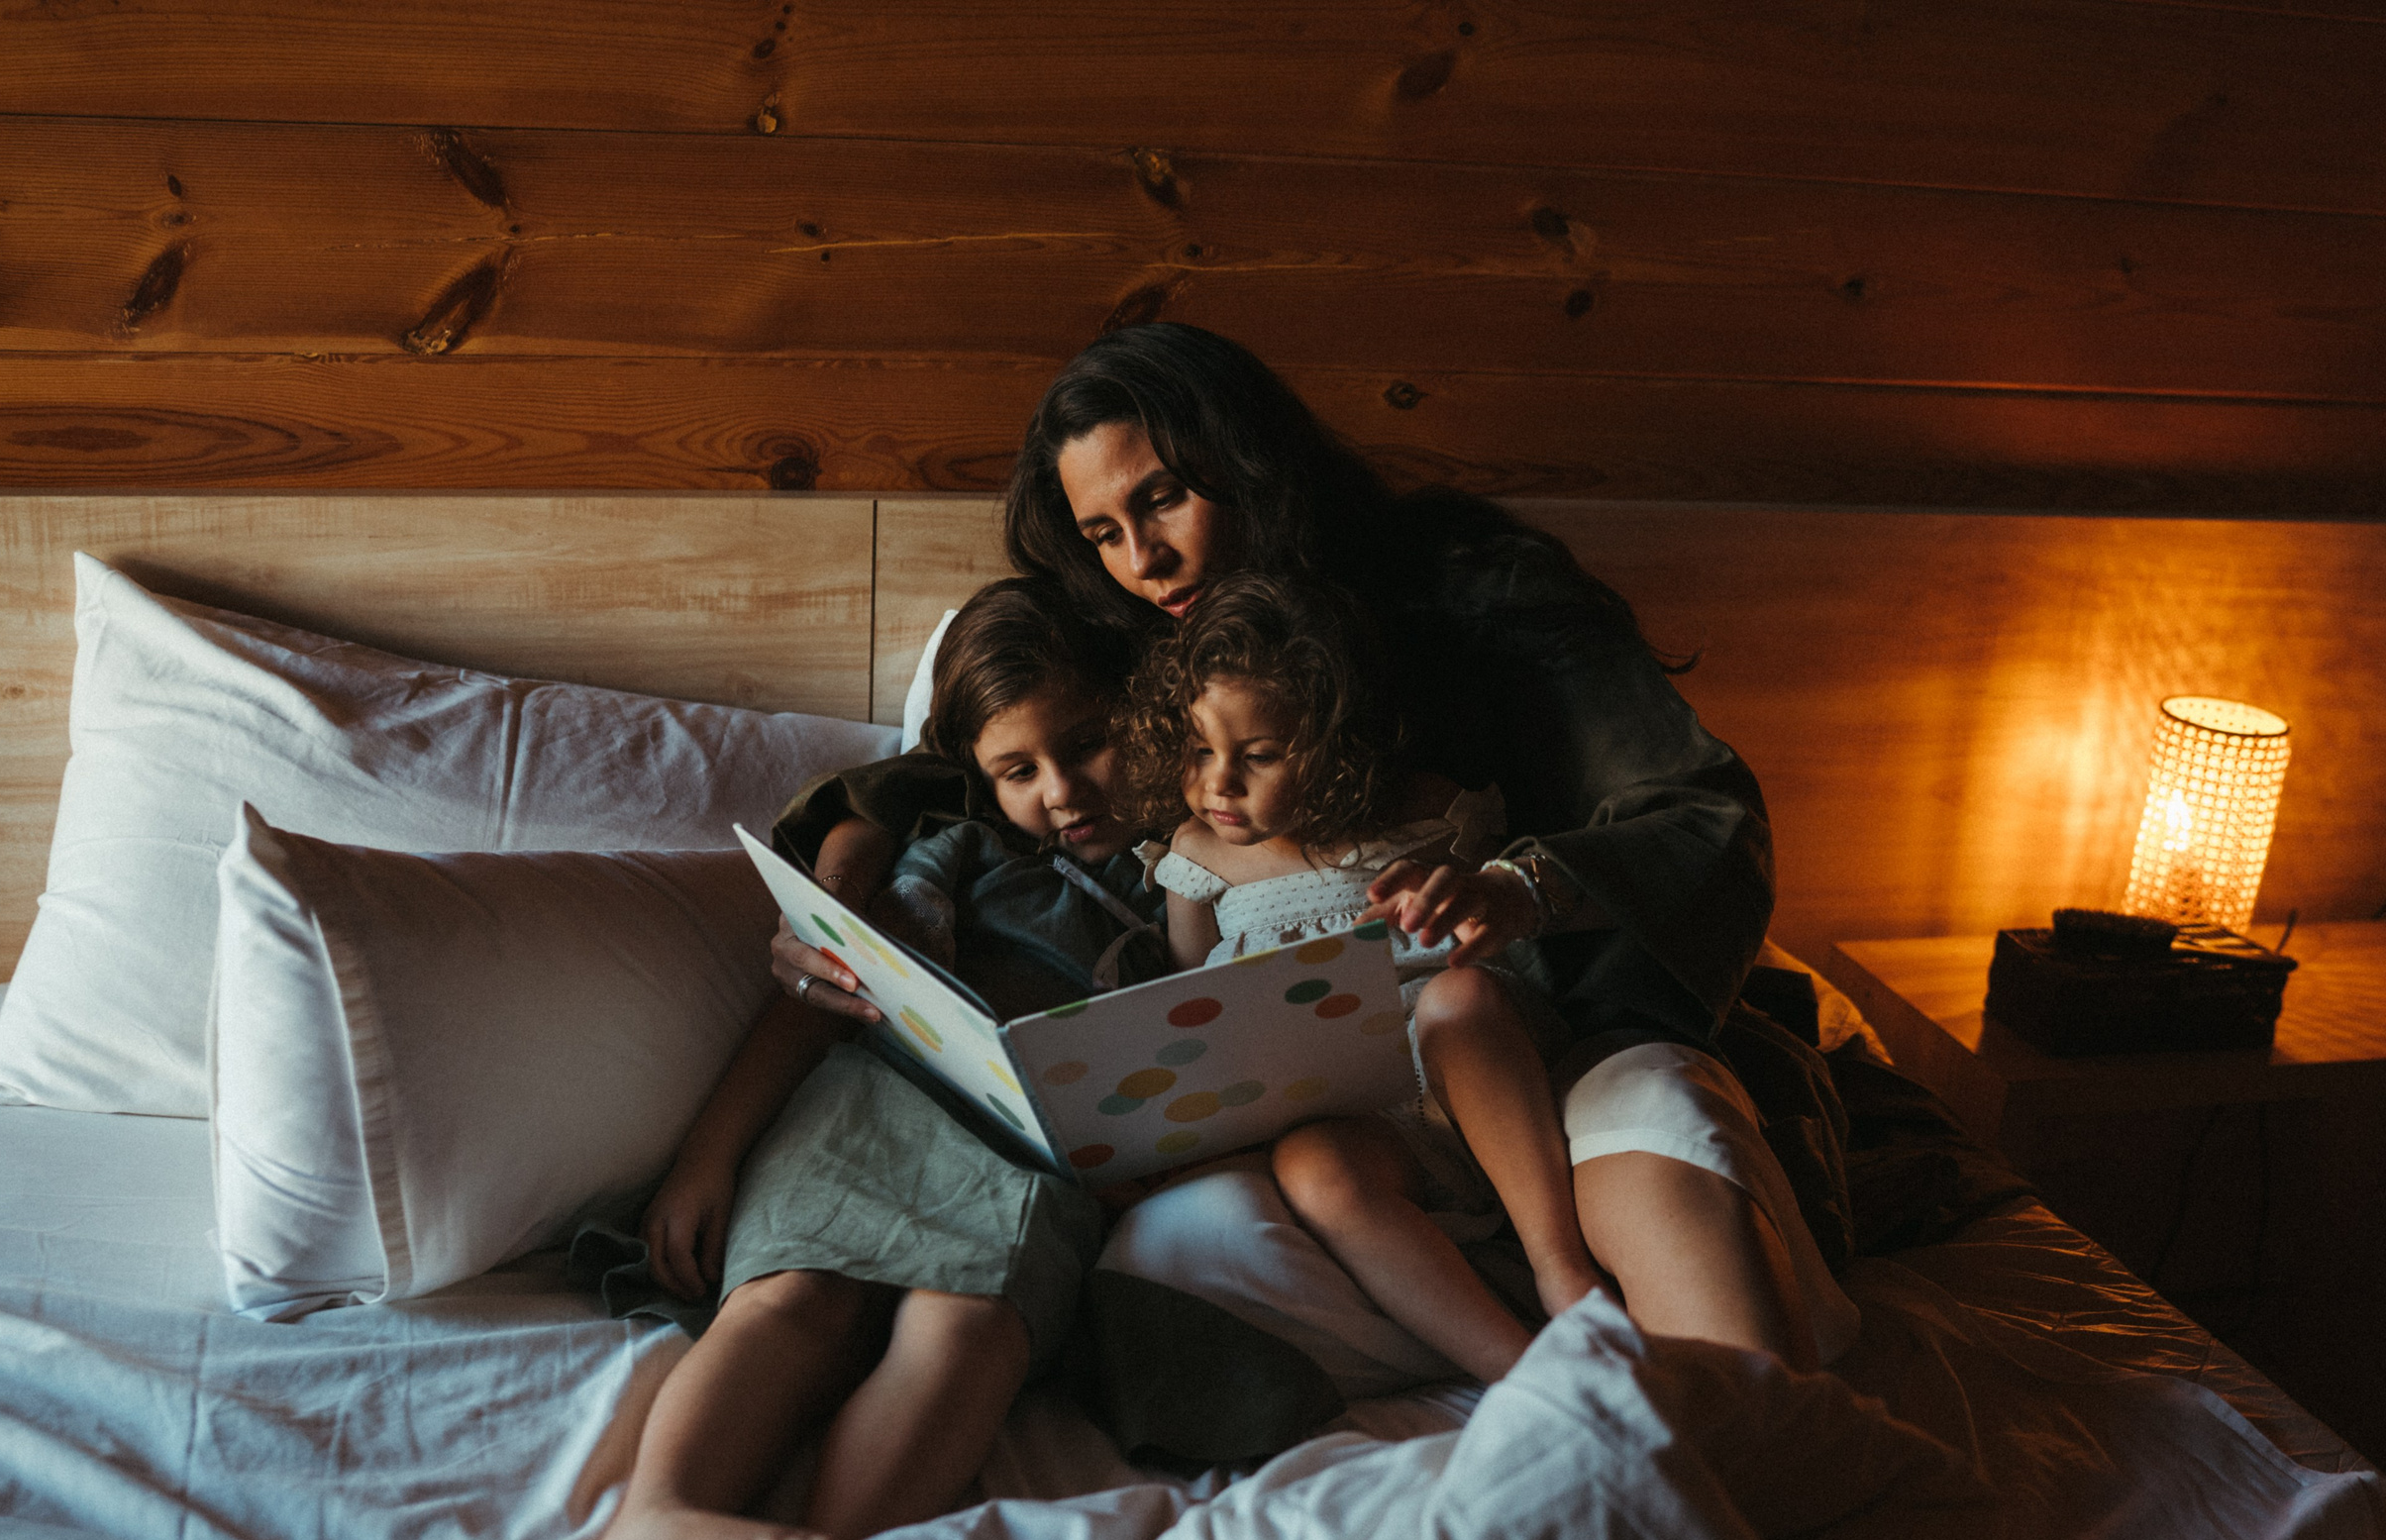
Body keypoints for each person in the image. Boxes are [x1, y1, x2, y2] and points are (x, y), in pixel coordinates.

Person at [774, 324, 1859, 1454]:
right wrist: (835, 893)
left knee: (1669, 1160)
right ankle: (1539, 1386)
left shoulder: (1469, 589)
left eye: (1164, 498)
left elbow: (1701, 813)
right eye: (1103, 532)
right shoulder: (1145, 631)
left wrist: (1521, 887)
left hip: (1553, 1033)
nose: (1143, 559)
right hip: (1337, 1132)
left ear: (1251, 462)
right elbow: (952, 765)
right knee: (1172, 1258)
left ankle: (1747, 1451)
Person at [588, 576, 1160, 1540]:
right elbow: (827, 994)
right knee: (793, 1295)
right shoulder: (954, 846)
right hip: (873, 1098)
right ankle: (653, 1519)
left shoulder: (1189, 871)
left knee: (971, 1326)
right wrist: (709, 1154)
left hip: (1031, 1153)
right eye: (1018, 770)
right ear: (976, 773)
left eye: (1088, 744)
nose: (1063, 789)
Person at [1120, 570, 1608, 1385]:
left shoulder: (1435, 814)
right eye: (1200, 750)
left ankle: (1561, 1269)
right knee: (1314, 1169)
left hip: (1467, 1077)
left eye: (1259, 756)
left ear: (1336, 743)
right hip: (1351, 1113)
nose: (1219, 783)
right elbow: (1194, 1003)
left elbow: (1514, 923)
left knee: (1458, 997)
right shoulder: (1195, 858)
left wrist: (1462, 899)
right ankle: (1518, 1374)